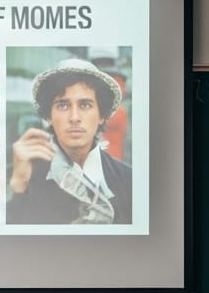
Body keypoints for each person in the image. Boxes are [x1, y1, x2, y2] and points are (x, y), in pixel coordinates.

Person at [7, 58, 133, 225]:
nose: (74, 118)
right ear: (49, 116)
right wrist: (18, 185)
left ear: (101, 116)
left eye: (85, 105)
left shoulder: (128, 180)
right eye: (63, 105)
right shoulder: (28, 174)